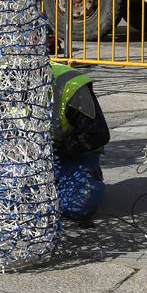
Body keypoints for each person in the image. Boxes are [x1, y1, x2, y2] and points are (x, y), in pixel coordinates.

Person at [50, 62, 111, 223]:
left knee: (77, 205)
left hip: (68, 151)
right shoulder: (3, 83)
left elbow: (97, 134)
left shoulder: (69, 84)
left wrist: (55, 150)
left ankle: (87, 175)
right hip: (28, 157)